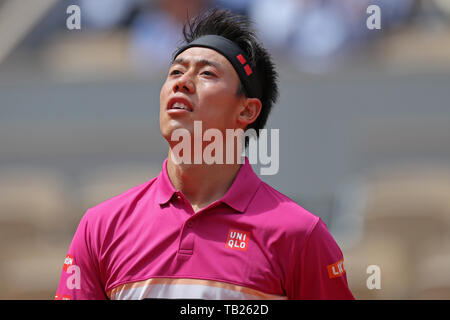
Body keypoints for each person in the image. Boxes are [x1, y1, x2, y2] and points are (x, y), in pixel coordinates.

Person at [55, 8, 354, 300]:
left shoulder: (300, 234)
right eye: (175, 71)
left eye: (207, 73)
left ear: (247, 110)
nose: (181, 82)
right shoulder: (100, 227)